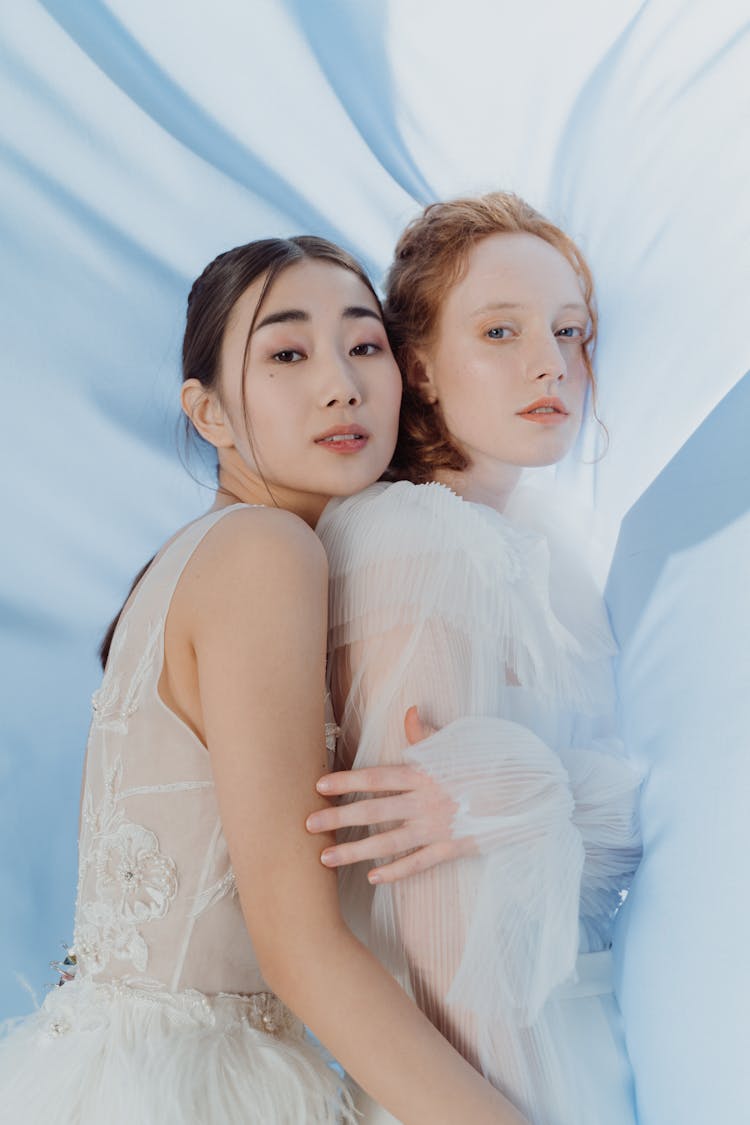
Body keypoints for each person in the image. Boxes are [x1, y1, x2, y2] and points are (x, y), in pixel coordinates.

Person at [0, 236, 527, 1124]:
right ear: (208, 415)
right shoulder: (264, 552)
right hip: (189, 1087)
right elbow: (297, 946)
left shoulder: (204, 556)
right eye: (288, 353)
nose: (341, 384)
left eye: (365, 346)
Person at [308, 195, 643, 1125]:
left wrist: (539, 785)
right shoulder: (421, 542)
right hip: (490, 1069)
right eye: (501, 330)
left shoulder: (542, 552)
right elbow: (427, 902)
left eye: (571, 331)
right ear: (417, 367)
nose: (552, 363)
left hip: (573, 1034)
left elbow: (584, 830)